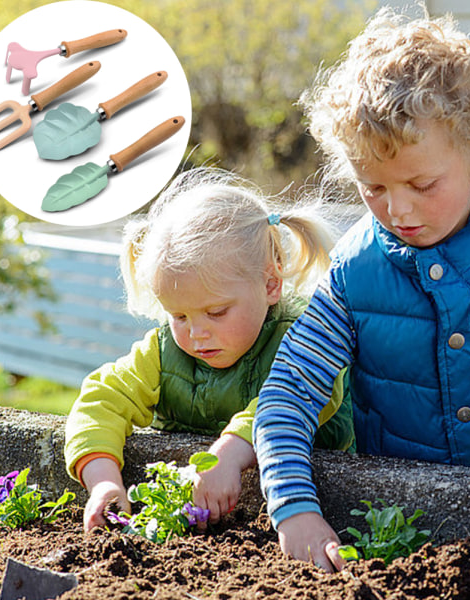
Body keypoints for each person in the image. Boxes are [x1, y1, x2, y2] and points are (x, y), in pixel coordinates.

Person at [253, 6, 470, 573]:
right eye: (373, 187)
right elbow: (286, 396)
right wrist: (293, 508)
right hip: (406, 545)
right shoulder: (352, 274)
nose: (399, 209)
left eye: (422, 184)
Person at [64, 167, 354, 533]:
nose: (197, 334)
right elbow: (100, 401)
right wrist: (104, 480)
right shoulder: (163, 352)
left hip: (326, 516)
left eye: (216, 312)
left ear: (270, 283)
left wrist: (230, 452)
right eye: (179, 314)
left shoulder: (305, 338)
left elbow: (298, 395)